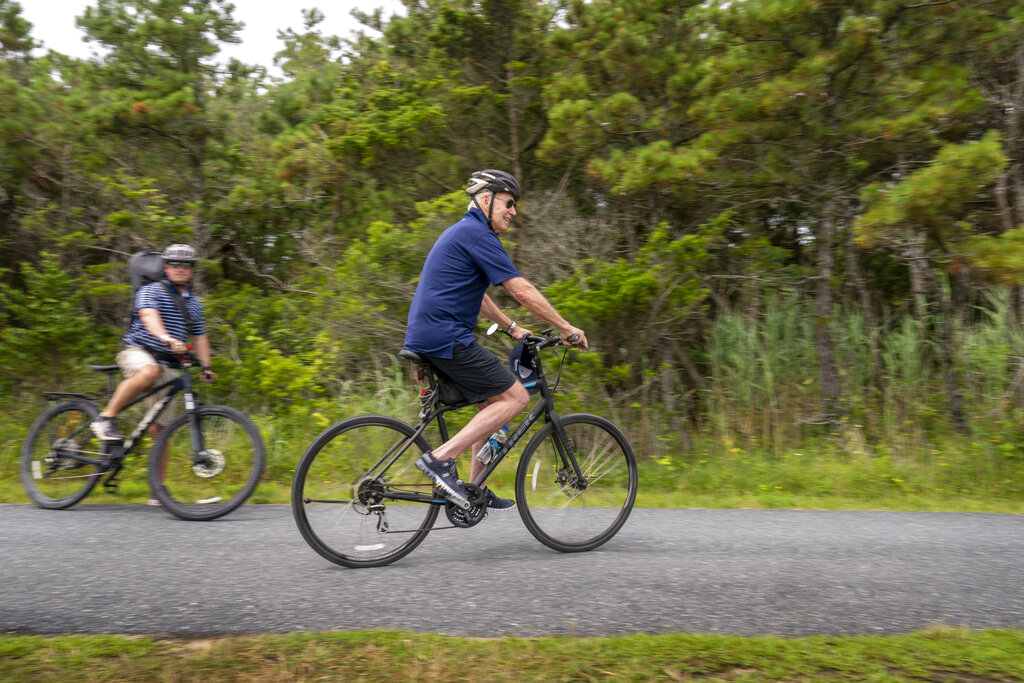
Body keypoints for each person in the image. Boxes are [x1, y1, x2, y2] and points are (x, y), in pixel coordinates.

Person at [405, 169, 588, 510]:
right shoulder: (477, 234)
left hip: (432, 334)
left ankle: (474, 489)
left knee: (494, 407)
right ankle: (440, 460)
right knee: (516, 397)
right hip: (445, 336)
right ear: (486, 200)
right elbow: (521, 290)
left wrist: (513, 327)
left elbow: (479, 297)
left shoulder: (466, 233)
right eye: (509, 203)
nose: (514, 212)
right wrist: (565, 327)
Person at [91, 244, 216, 446]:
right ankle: (106, 418)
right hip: (139, 351)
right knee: (150, 371)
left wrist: (206, 366)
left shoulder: (195, 303)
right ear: (166, 267)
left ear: (192, 270)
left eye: (185, 265)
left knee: (161, 431)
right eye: (174, 264)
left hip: (169, 363)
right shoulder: (151, 290)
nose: (180, 268)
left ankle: (155, 469)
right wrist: (166, 338)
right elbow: (148, 316)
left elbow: (200, 336)